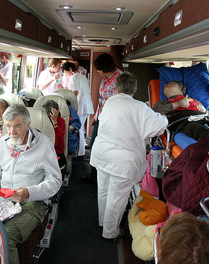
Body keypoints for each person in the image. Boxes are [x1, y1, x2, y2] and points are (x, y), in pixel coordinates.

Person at [0, 104, 62, 264]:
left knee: (2, 238)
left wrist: (29, 192)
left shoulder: (43, 145)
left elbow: (55, 181)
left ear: (28, 124)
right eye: (8, 126)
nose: (11, 132)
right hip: (0, 201)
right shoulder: (1, 144)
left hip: (31, 203)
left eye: (17, 126)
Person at [90, 72, 168, 240]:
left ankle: (103, 222)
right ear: (134, 89)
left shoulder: (110, 102)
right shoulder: (139, 107)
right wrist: (164, 117)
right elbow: (159, 126)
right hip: (122, 161)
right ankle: (110, 232)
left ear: (117, 88)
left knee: (103, 190)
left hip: (102, 154)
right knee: (116, 198)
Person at [87, 53, 122, 182]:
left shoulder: (119, 78)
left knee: (104, 150)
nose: (98, 72)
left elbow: (120, 102)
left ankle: (101, 177)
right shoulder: (106, 78)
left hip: (112, 121)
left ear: (105, 67)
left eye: (99, 69)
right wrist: (96, 117)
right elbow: (102, 100)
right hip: (101, 118)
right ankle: (94, 176)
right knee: (94, 146)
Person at [61, 62, 94, 158]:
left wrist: (66, 91)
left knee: (78, 128)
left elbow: (74, 93)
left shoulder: (74, 77)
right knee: (81, 128)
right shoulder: (82, 76)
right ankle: (81, 152)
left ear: (70, 69)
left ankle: (80, 154)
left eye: (66, 72)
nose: (66, 75)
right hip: (86, 104)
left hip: (81, 105)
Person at [42, 99, 66, 167]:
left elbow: (58, 143)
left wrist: (55, 122)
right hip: (42, 152)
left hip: (56, 153)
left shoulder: (60, 121)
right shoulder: (41, 120)